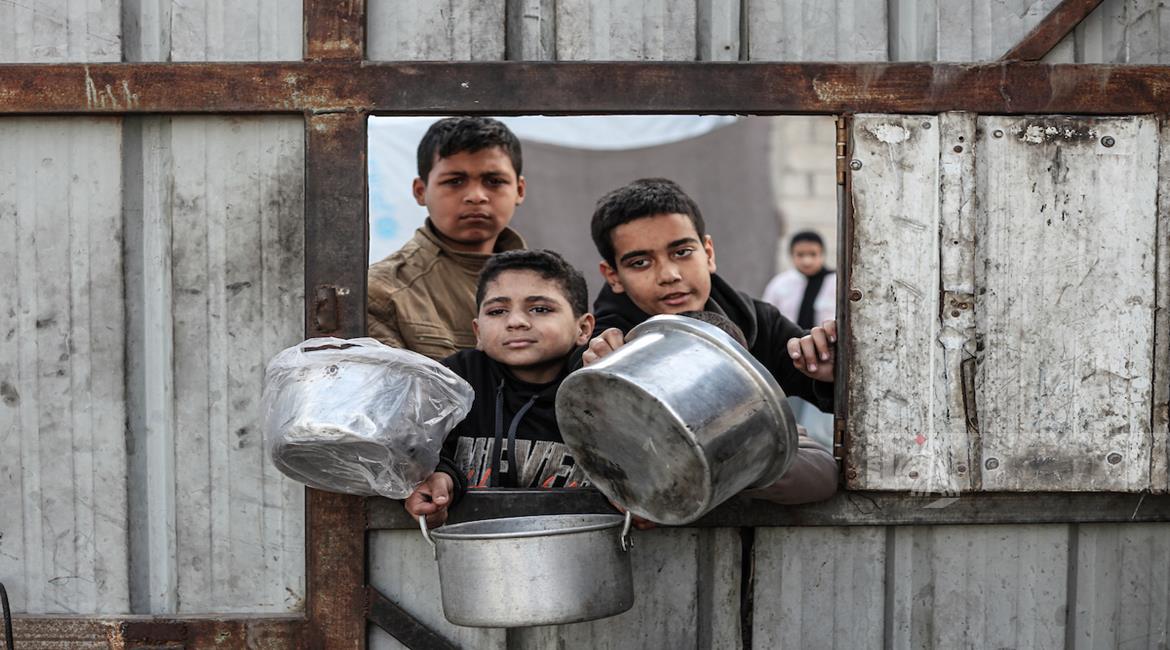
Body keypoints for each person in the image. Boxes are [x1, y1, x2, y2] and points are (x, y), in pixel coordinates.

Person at [581, 178, 839, 504]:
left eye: (682, 252)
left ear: (708, 253)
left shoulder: (756, 322)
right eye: (640, 263)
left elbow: (833, 409)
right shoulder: (604, 349)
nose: (669, 275)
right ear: (613, 276)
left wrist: (831, 373)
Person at [404, 250, 595, 526]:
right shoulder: (454, 381)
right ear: (478, 332)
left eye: (540, 309)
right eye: (497, 311)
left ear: (584, 328)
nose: (516, 322)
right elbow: (417, 448)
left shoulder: (598, 387)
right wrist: (438, 477)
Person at [367, 117, 527, 360]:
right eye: (455, 181)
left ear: (519, 190)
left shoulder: (551, 283)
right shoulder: (384, 292)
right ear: (421, 191)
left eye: (494, 181)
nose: (476, 196)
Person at [761, 230, 836, 447]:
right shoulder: (780, 284)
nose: (807, 260)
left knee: (819, 428)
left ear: (822, 254)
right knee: (788, 421)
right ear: (791, 256)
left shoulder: (836, 283)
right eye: (800, 255)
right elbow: (767, 320)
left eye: (813, 254)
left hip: (822, 362)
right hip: (790, 361)